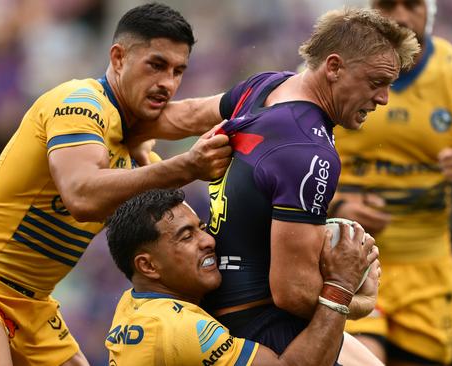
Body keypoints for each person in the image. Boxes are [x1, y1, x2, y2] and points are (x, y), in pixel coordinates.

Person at [0, 3, 232, 366]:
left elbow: (179, 236)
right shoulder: (80, 104)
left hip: (36, 311)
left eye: (178, 71)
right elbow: (81, 194)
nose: (167, 84)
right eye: (156, 65)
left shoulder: (141, 161)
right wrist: (187, 165)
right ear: (118, 57)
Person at [127, 6, 419, 357]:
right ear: (334, 67)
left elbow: (181, 116)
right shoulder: (310, 153)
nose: (383, 98)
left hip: (219, 310)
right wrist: (357, 297)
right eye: (376, 83)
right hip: (264, 326)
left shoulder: (267, 85)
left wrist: (122, 126)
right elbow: (293, 292)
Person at [330, 1, 452, 365]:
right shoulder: (333, 72)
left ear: (431, 10)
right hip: (350, 263)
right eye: (388, 4)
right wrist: (338, 204)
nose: (402, 16)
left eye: (413, 4)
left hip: (428, 274)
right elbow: (286, 168)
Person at [104, 188, 377, 366]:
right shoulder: (180, 328)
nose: (208, 241)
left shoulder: (132, 304)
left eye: (201, 228)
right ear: (148, 266)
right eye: (187, 236)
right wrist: (339, 285)